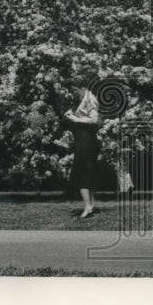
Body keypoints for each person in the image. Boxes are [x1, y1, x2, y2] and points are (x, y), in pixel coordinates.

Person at [65, 84, 101, 218]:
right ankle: (90, 206)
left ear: (81, 87)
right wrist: (71, 115)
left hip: (86, 139)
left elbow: (94, 119)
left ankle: (87, 207)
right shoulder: (84, 99)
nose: (73, 93)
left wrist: (75, 119)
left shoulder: (89, 98)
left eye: (74, 89)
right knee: (88, 171)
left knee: (81, 171)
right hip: (83, 138)